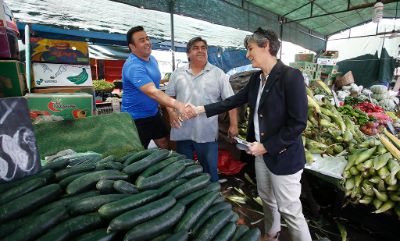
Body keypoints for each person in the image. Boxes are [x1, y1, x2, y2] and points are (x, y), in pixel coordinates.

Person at [188, 28, 312, 241]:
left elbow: (298, 123)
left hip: (283, 155)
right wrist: (200, 109)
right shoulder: (256, 79)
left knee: (290, 210)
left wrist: (267, 146)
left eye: (250, 49)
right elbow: (232, 101)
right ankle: (272, 234)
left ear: (266, 46)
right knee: (266, 198)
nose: (247, 55)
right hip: (260, 153)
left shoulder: (291, 77)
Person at [165, 37, 238, 182]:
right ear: (188, 54)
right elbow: (168, 97)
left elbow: (231, 101)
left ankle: (212, 198)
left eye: (203, 47)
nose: (201, 50)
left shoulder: (218, 74)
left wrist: (234, 124)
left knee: (210, 171)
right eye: (196, 48)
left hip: (206, 134)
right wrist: (171, 113)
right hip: (183, 131)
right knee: (185, 171)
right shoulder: (177, 73)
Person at [121, 26, 186, 149]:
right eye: (141, 40)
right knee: (138, 153)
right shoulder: (133, 66)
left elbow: (156, 87)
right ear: (132, 47)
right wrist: (178, 105)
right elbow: (153, 92)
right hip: (135, 118)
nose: (147, 42)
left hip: (153, 113)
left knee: (163, 143)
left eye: (147, 38)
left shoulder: (153, 60)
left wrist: (168, 108)